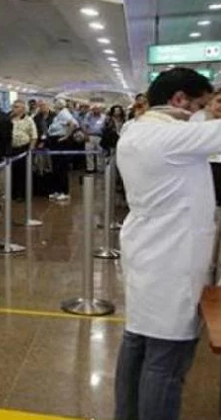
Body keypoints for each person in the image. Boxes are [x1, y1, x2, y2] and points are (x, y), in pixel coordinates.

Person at [115, 68, 217, 420]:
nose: (202, 114)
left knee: (137, 344)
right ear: (179, 100)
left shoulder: (135, 130)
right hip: (172, 258)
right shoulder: (170, 136)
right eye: (201, 106)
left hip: (147, 250)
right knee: (167, 360)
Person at [47, 99, 78, 201]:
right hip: (54, 141)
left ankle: (64, 192)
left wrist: (66, 137)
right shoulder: (59, 114)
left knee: (61, 167)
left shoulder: (64, 113)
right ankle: (57, 190)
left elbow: (73, 124)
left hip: (60, 142)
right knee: (56, 167)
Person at [10, 100, 38, 201]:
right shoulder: (10, 119)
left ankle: (22, 194)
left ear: (22, 109)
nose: (14, 108)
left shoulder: (29, 120)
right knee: (12, 172)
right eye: (13, 106)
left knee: (22, 172)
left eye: (16, 107)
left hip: (23, 148)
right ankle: (13, 193)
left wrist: (30, 150)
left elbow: (34, 136)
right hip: (12, 148)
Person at [83, 104, 106, 173]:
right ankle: (90, 168)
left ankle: (100, 168)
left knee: (100, 153)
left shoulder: (104, 117)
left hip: (100, 136)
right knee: (89, 152)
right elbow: (85, 126)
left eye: (97, 108)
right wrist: (86, 135)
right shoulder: (88, 116)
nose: (96, 110)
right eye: (94, 109)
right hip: (90, 136)